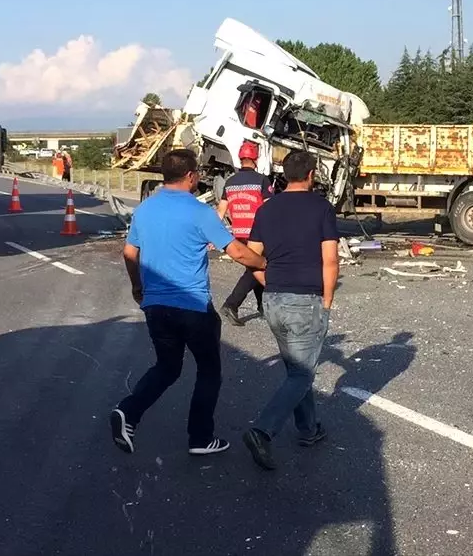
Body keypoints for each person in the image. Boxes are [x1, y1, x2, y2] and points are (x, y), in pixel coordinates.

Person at [110, 149, 267, 457]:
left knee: (167, 367)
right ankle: (200, 438)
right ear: (192, 176)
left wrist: (138, 287)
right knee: (209, 370)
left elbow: (130, 254)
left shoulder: (145, 210)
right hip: (193, 307)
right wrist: (263, 263)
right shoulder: (199, 212)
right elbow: (236, 252)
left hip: (156, 307)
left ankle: (128, 411)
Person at [240, 149, 340, 471]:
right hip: (305, 301)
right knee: (301, 373)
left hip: (273, 301)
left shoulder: (266, 210)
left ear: (284, 175)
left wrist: (266, 278)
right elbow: (330, 259)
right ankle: (262, 430)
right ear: (311, 174)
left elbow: (249, 255)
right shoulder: (321, 208)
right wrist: (326, 301)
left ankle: (308, 429)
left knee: (297, 369)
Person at [217, 140, 273, 326]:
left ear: (240, 159)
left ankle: (262, 306)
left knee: (253, 267)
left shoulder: (230, 182)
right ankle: (231, 304)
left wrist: (215, 235)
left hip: (239, 234)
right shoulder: (262, 180)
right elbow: (269, 208)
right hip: (258, 234)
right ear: (255, 158)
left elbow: (221, 211)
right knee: (258, 266)